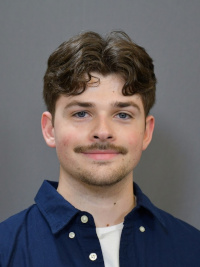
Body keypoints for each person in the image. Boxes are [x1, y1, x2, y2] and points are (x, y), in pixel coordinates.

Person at [0, 31, 199, 267]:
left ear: (146, 132)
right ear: (50, 129)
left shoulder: (192, 249)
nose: (103, 131)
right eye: (81, 113)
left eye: (123, 114)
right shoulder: (5, 249)